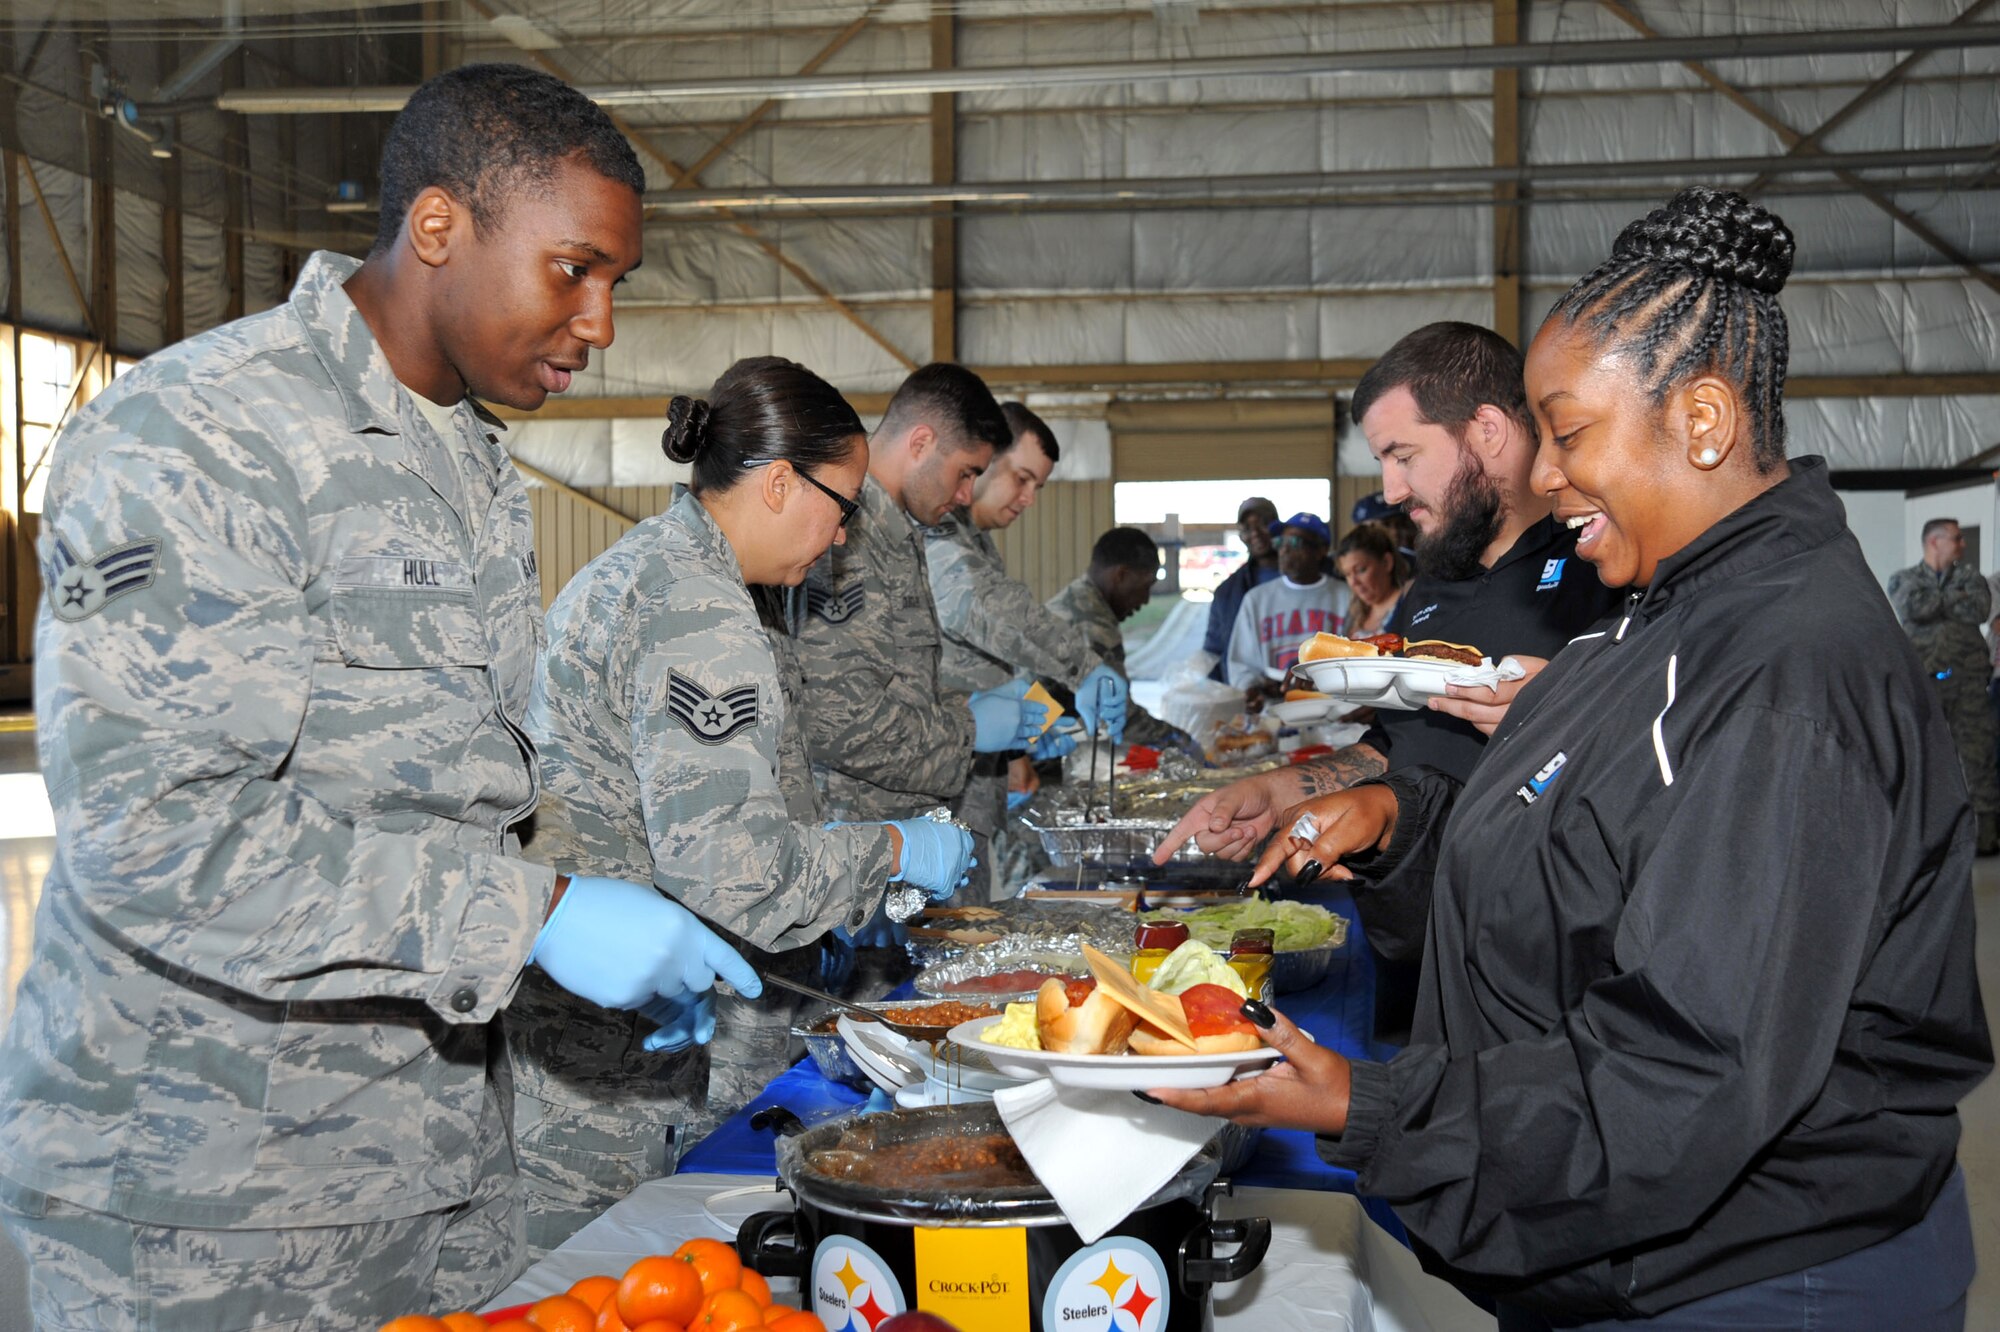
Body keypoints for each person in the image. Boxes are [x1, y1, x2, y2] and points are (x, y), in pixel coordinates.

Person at [0, 65, 760, 1328]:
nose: (601, 321)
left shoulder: (458, 455)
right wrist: (534, 917)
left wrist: (594, 913)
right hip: (210, 1199)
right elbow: (160, 835)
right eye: (574, 269)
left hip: (433, 1156)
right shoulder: (199, 436)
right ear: (437, 228)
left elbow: (451, 786)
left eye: (615, 281)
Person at [1159, 188, 1991, 1330]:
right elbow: (1595, 850)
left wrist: (1371, 1104)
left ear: (1699, 421)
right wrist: (1398, 824)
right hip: (1626, 1235)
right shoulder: (1656, 617)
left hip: (1751, 1278)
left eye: (1569, 432)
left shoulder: (1786, 674)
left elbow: (1689, 1065)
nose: (1542, 478)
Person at [507, 357, 975, 1253]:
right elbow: (736, 874)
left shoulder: (661, 568)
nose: (841, 540)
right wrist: (890, 849)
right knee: (605, 1290)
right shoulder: (698, 610)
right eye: (840, 509)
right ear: (776, 484)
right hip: (612, 1065)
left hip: (601, 1025)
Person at [1157, 321, 1623, 1040]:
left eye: (1403, 455)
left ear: (1489, 431)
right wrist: (1277, 791)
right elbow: (1392, 746)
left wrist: (1559, 716)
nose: (1392, 489)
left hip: (1546, 982)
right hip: (1418, 950)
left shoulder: (1603, 566)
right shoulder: (1433, 584)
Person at [797, 364, 1048, 831]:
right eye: (965, 472)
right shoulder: (845, 538)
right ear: (921, 443)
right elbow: (836, 721)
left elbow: (900, 685)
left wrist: (968, 705)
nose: (967, 493)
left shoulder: (901, 533)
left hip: (900, 829)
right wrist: (968, 732)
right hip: (856, 836)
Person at [924, 400, 1125, 897]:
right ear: (985, 458)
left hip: (970, 788)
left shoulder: (975, 541)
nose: (1029, 498)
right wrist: (1082, 665)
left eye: (1039, 486)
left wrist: (1029, 722)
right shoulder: (937, 533)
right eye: (1022, 478)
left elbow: (974, 660)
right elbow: (984, 607)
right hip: (931, 790)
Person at [1889, 518, 2000, 855]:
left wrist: (1936, 600)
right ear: (1934, 542)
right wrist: (1953, 599)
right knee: (1923, 759)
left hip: (1968, 685)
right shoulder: (1904, 580)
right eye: (1956, 538)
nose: (1962, 544)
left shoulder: (1972, 578)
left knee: (1977, 757)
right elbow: (1910, 606)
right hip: (1926, 685)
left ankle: (1986, 836)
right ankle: (1927, 838)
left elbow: (1980, 608)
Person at [1045, 527, 1200, 753]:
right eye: (1145, 587)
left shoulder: (1075, 601)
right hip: (1035, 758)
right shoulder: (1092, 623)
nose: (1145, 600)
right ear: (1121, 575)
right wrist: (1183, 742)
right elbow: (1120, 716)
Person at [1225, 512, 1345, 707]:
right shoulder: (1256, 599)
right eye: (1281, 541)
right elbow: (1241, 664)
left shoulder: (1346, 596)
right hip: (1275, 712)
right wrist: (1253, 688)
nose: (1285, 550)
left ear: (1321, 550)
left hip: (1334, 713)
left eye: (1296, 543)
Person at [1202, 496, 1281, 681]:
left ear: (1278, 526)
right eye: (1247, 528)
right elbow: (1214, 650)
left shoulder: (1305, 576)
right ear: (1241, 536)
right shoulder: (1227, 592)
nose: (1255, 533)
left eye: (1263, 523)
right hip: (1253, 695)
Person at [1334, 523, 1406, 637]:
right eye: (1347, 574)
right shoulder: (1354, 612)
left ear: (1387, 562)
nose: (1353, 582)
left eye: (1361, 570)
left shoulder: (1409, 605)